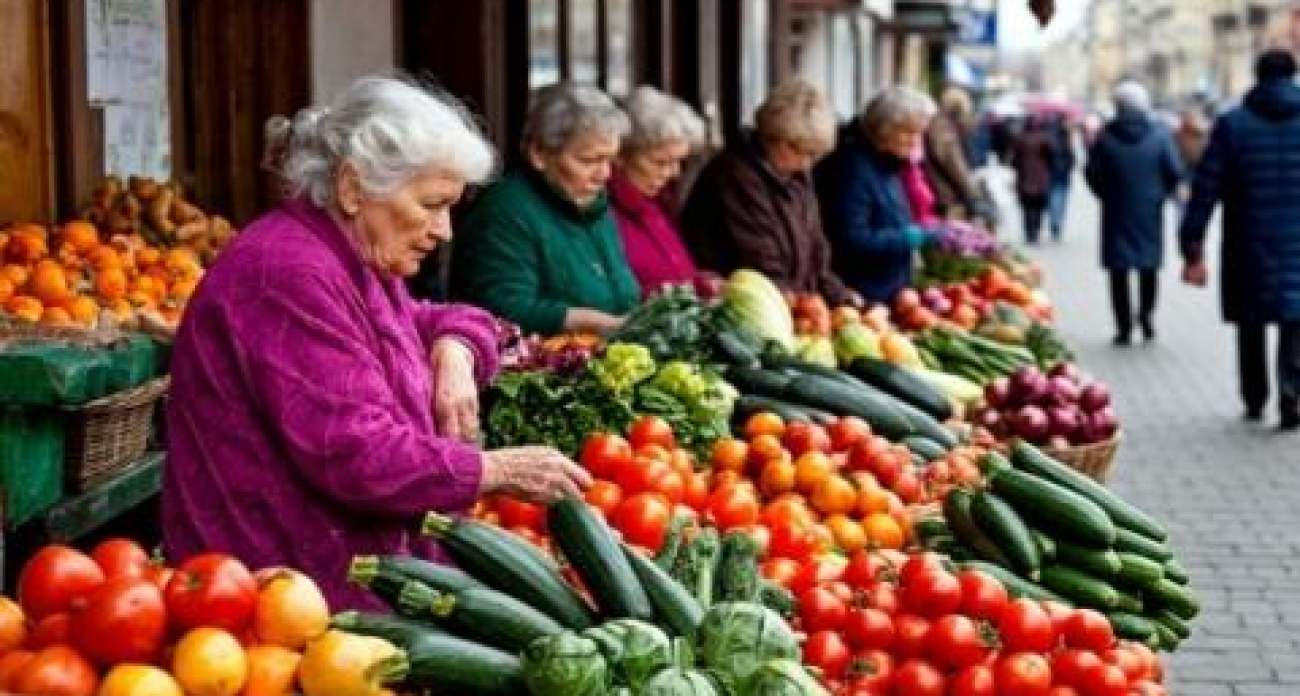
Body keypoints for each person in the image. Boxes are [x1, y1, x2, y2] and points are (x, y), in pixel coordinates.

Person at [161, 75, 592, 610]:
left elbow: (435, 318)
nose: (446, 231)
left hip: (345, 581)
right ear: (352, 186)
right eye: (432, 204)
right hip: (279, 597)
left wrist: (455, 348)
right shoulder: (287, 273)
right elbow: (356, 454)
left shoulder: (354, 259)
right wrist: (497, 471)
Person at [453, 82, 640, 335]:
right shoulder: (506, 211)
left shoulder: (592, 202)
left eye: (609, 159)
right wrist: (597, 323)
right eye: (589, 160)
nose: (604, 174)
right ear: (539, 153)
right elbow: (503, 309)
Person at [1179, 50, 1300, 430]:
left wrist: (1192, 241)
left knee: (1251, 321)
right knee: (1294, 319)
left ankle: (1254, 397)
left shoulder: (1233, 124)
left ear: (1257, 75)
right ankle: (1291, 394)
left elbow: (1206, 187)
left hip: (1247, 241)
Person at [680, 78, 859, 306]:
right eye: (800, 151)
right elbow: (759, 260)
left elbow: (816, 249)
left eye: (813, 155)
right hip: (746, 309)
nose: (806, 163)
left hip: (789, 305)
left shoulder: (795, 175)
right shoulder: (735, 175)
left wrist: (841, 298)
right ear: (773, 137)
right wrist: (798, 307)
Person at [815, 86, 937, 303]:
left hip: (890, 292)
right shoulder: (852, 169)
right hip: (862, 296)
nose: (915, 141)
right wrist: (908, 239)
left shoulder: (888, 162)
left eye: (919, 132)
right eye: (908, 132)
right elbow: (850, 240)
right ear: (884, 129)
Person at [1084, 81, 1184, 345]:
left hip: (1116, 210)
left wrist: (1106, 195)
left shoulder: (1105, 136)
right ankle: (1147, 317)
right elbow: (1174, 171)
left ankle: (1124, 326)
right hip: (1149, 211)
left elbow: (1092, 173)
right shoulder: (1160, 135)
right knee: (1148, 266)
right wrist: (1161, 195)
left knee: (1118, 271)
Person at [609, 86, 716, 298]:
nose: (674, 173)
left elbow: (674, 273)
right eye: (661, 162)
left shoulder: (657, 201)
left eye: (678, 161)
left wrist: (702, 282)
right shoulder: (602, 211)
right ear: (620, 154)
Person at [926, 86, 994, 227]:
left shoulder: (941, 126)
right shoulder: (943, 129)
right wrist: (975, 195)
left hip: (945, 194)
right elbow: (956, 167)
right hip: (948, 197)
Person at [1009, 116, 1055, 244]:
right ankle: (1035, 229)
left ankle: (1029, 230)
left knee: (1027, 207)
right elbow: (1051, 158)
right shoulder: (1044, 139)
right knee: (1038, 207)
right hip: (1041, 179)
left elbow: (1014, 160)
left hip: (1024, 178)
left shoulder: (1020, 139)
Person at [1045, 115, 1077, 241]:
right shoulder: (1064, 138)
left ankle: (1055, 222)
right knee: (1060, 199)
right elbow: (1071, 158)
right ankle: (1057, 222)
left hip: (1054, 173)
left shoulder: (1050, 137)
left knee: (1055, 198)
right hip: (1062, 174)